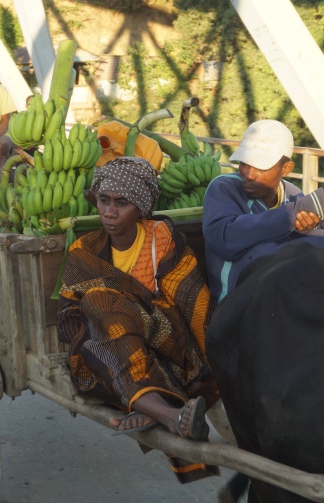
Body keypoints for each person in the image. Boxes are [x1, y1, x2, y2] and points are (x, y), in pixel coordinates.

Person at [57, 157, 219, 483]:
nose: (109, 212)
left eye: (122, 203)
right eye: (104, 200)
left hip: (164, 335)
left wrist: (214, 364)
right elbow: (68, 316)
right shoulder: (83, 250)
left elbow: (191, 299)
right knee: (99, 313)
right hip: (110, 343)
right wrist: (113, 313)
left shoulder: (161, 240)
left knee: (105, 309)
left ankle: (143, 405)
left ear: (141, 208)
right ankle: (168, 414)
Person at [202, 119, 324, 303]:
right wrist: (291, 216)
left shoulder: (293, 194)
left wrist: (308, 225)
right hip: (238, 300)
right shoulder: (223, 188)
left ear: (286, 169)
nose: (249, 175)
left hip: (281, 292)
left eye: (260, 167)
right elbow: (226, 239)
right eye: (244, 164)